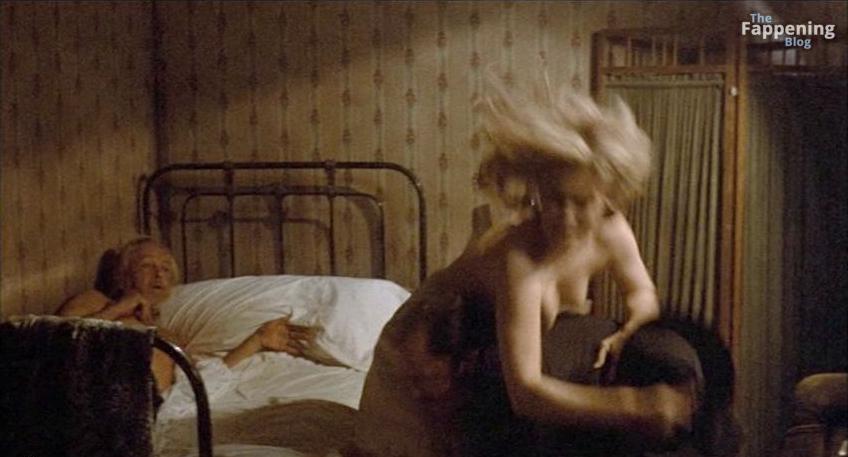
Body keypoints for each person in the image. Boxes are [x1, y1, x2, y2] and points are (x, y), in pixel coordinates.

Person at [349, 78, 697, 457]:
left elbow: (641, 291)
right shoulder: (520, 260)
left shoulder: (612, 230)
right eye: (554, 199)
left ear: (608, 197)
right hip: (421, 347)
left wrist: (632, 327)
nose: (566, 217)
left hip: (474, 350)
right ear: (537, 191)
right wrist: (637, 406)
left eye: (582, 202)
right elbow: (526, 393)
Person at [57, 237, 318, 393]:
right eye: (147, 266)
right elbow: (55, 344)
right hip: (90, 396)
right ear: (124, 275)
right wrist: (115, 310)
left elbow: (195, 388)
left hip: (146, 409)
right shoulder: (94, 300)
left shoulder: (168, 335)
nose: (159, 275)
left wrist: (257, 340)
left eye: (165, 269)